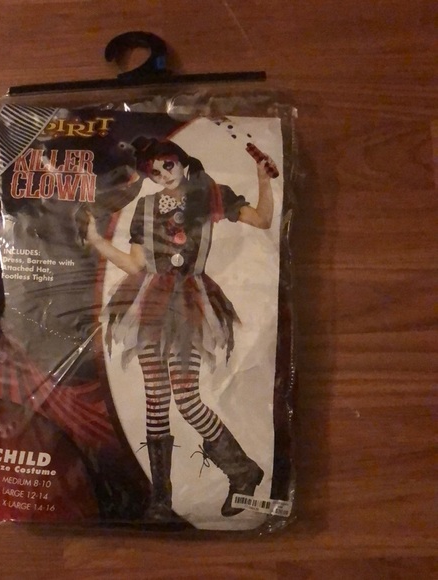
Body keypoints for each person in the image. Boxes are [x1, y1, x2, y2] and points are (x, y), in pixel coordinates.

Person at [86, 136, 277, 520]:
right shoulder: (145, 207)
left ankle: (242, 469)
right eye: (154, 172)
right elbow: (135, 265)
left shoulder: (209, 195)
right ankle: (161, 501)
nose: (162, 174)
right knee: (155, 400)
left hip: (189, 302)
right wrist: (94, 239)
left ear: (182, 161)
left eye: (167, 165)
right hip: (150, 304)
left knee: (187, 399)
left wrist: (262, 179)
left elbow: (262, 220)